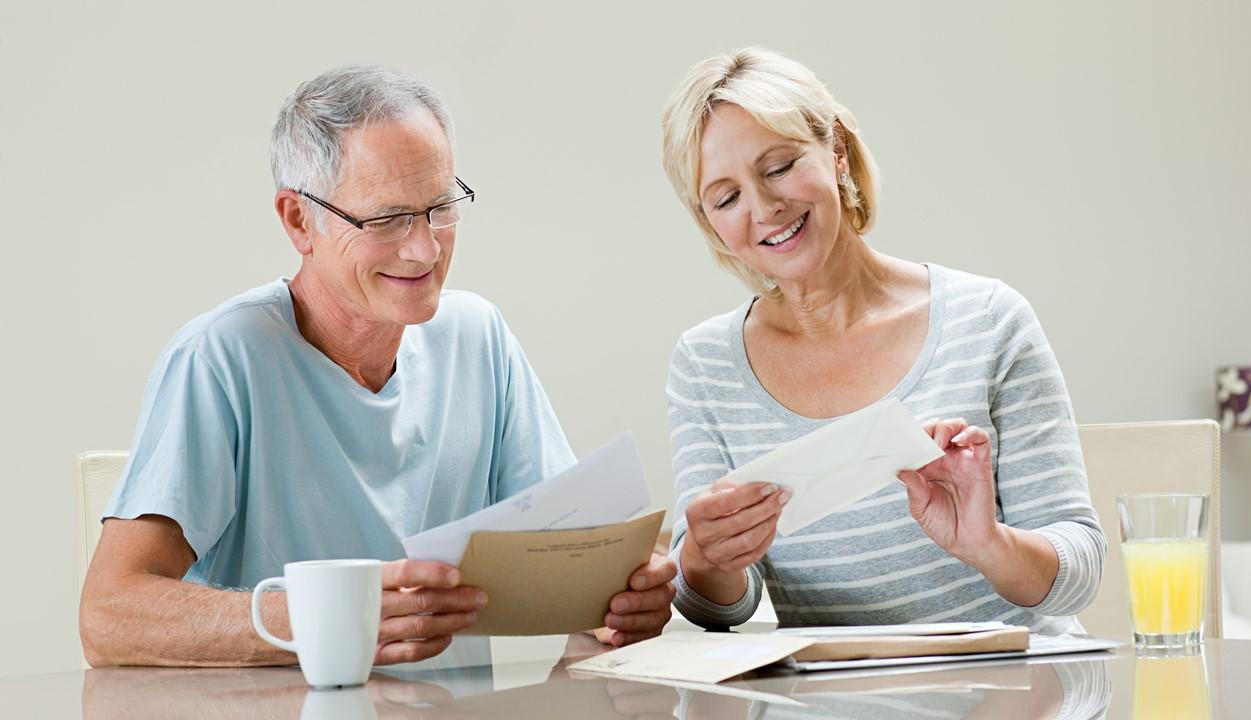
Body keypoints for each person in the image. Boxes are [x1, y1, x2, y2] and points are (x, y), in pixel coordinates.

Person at [79, 65, 675, 667]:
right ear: (298, 220)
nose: (425, 248)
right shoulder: (222, 357)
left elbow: (573, 559)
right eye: (386, 219)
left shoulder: (477, 338)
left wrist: (619, 595)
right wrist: (332, 618)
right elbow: (109, 617)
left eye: (439, 207)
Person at [659, 48, 1104, 633]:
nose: (764, 208)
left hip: (1019, 691)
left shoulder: (988, 318)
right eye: (726, 197)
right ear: (711, 223)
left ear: (836, 150)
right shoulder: (705, 364)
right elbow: (720, 606)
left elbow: (1081, 570)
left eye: (778, 167)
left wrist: (987, 544)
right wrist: (704, 558)